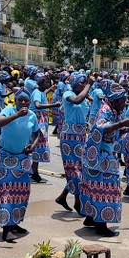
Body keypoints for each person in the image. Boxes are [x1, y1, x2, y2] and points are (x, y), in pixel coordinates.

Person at [79, 84, 129, 237]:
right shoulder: (105, 110)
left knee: (94, 188)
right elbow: (101, 128)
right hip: (99, 157)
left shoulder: (116, 111)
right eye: (122, 101)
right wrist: (121, 124)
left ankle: (91, 217)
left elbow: (117, 132)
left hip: (106, 155)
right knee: (104, 190)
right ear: (114, 100)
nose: (124, 103)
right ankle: (101, 225)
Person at [0, 91, 40, 242]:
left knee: (21, 192)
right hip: (6, 157)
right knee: (5, 192)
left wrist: (32, 146)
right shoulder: (9, 111)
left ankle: (14, 223)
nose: (24, 103)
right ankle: (6, 228)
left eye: (27, 101)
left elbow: (37, 133)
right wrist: (17, 115)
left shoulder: (32, 115)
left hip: (22, 158)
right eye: (21, 100)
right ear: (15, 101)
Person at [55, 73, 92, 213]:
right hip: (69, 136)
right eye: (82, 82)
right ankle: (78, 202)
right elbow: (76, 101)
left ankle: (63, 196)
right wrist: (89, 85)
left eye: (85, 82)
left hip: (81, 135)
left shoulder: (85, 97)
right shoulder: (68, 94)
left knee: (79, 169)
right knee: (75, 170)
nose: (84, 85)